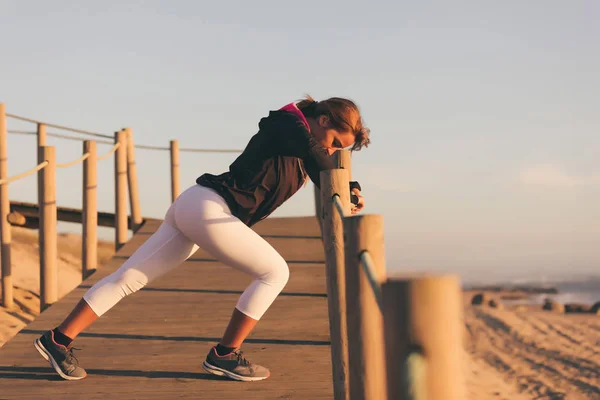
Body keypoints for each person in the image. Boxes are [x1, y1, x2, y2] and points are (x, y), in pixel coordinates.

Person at [33, 96, 370, 382]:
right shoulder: (287, 123)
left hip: (197, 206)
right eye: (336, 142)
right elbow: (316, 154)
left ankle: (57, 340)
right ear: (322, 119)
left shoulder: (303, 145)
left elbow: (318, 166)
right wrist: (342, 178)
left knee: (128, 279)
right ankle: (225, 354)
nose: (332, 149)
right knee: (275, 272)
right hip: (209, 208)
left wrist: (348, 188)